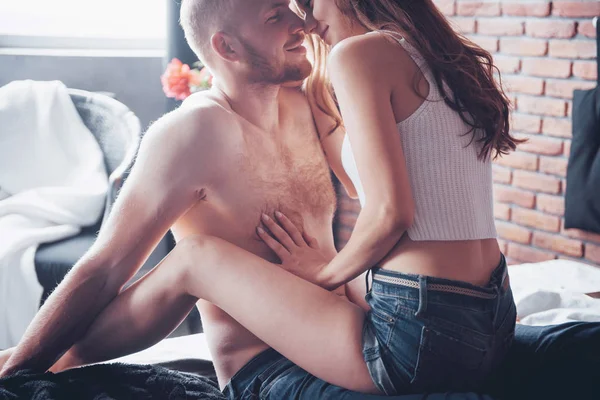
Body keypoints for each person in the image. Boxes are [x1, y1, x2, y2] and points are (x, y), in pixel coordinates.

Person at [1, 1, 600, 400]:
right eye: (274, 15)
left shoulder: (310, 106)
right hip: (268, 364)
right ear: (227, 47)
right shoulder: (190, 133)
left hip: (358, 329)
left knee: (569, 349)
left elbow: (387, 193)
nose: (300, 21)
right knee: (193, 257)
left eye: (298, 8)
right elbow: (107, 265)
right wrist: (24, 362)